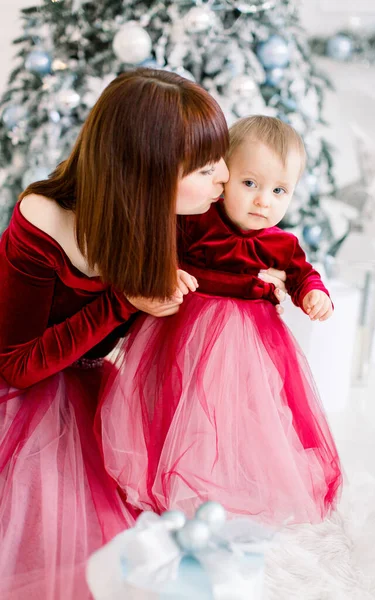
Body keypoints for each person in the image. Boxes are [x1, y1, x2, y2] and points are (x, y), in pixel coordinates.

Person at [0, 71, 286, 600]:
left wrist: (265, 281)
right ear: (149, 175)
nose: (225, 176)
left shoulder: (175, 217)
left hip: (91, 380)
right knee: (62, 540)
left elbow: (224, 266)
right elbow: (15, 364)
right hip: (26, 393)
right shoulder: (43, 221)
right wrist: (121, 302)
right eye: (205, 168)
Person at [98, 116, 342, 526]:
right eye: (250, 184)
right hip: (183, 332)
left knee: (239, 413)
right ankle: (169, 477)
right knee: (175, 404)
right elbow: (161, 252)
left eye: (279, 190)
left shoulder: (282, 243)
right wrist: (167, 271)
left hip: (250, 344)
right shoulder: (197, 222)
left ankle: (226, 482)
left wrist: (314, 293)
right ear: (223, 178)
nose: (264, 201)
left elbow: (302, 273)